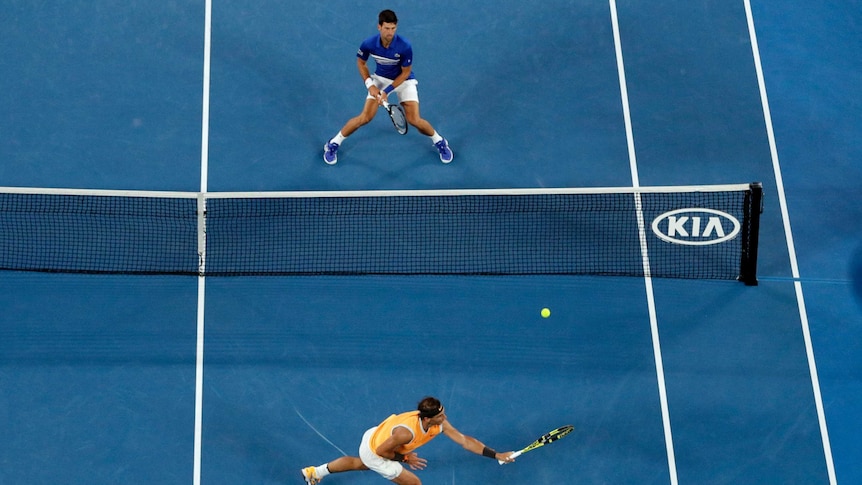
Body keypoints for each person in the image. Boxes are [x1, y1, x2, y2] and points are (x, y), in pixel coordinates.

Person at [323, 9, 453, 165]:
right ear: (379, 27)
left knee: (415, 120)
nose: (390, 32)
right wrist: (370, 84)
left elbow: (405, 73)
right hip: (380, 79)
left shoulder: (405, 46)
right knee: (365, 117)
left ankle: (440, 142)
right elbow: (361, 62)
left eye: (393, 28)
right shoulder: (369, 44)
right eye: (387, 28)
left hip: (403, 81)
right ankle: (333, 143)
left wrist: (386, 91)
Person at [300, 396, 514, 484]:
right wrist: (405, 458)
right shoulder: (407, 433)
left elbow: (466, 441)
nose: (445, 418)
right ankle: (316, 472)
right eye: (440, 416)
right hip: (378, 449)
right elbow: (383, 452)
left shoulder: (435, 423)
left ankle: (314, 472)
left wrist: (496, 455)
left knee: (358, 464)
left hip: (375, 434)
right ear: (428, 418)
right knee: (414, 483)